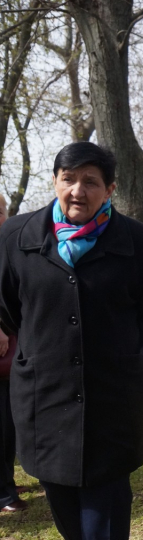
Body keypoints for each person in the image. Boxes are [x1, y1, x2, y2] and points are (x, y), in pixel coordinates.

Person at [0, 142, 143, 540]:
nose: (78, 190)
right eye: (68, 178)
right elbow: (8, 307)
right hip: (44, 394)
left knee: (106, 499)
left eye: (91, 181)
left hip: (112, 392)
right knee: (62, 498)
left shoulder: (136, 241)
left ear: (110, 189)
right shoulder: (18, 236)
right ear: (54, 181)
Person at [0, 193, 23, 514]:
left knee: (10, 420)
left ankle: (7, 480)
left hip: (15, 349)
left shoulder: (9, 242)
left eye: (1, 209)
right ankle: (4, 493)